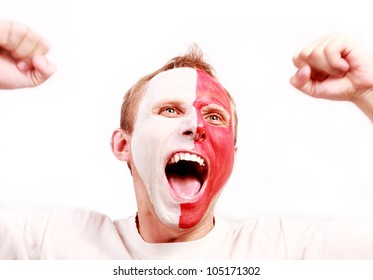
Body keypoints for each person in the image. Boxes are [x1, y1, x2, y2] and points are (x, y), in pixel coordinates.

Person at [0, 19, 372, 259]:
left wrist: (368, 92)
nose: (197, 126)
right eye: (170, 111)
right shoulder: (50, 245)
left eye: (214, 116)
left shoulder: (285, 252)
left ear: (232, 157)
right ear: (122, 145)